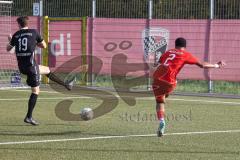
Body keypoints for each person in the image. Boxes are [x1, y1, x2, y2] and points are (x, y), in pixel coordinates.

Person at [6, 16, 73, 125]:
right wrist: (34, 43)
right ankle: (29, 117)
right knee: (35, 91)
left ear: (19, 24)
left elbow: (8, 49)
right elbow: (44, 46)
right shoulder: (34, 32)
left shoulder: (16, 35)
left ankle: (66, 85)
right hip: (31, 67)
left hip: (22, 67)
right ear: (28, 23)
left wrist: (10, 40)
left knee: (46, 70)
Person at [152, 37, 225, 137]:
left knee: (159, 102)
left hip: (157, 78)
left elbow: (157, 63)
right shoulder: (185, 54)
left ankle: (161, 121)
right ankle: (165, 95)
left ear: (175, 45)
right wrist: (216, 65)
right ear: (185, 46)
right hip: (170, 82)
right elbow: (202, 65)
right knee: (169, 87)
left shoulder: (168, 52)